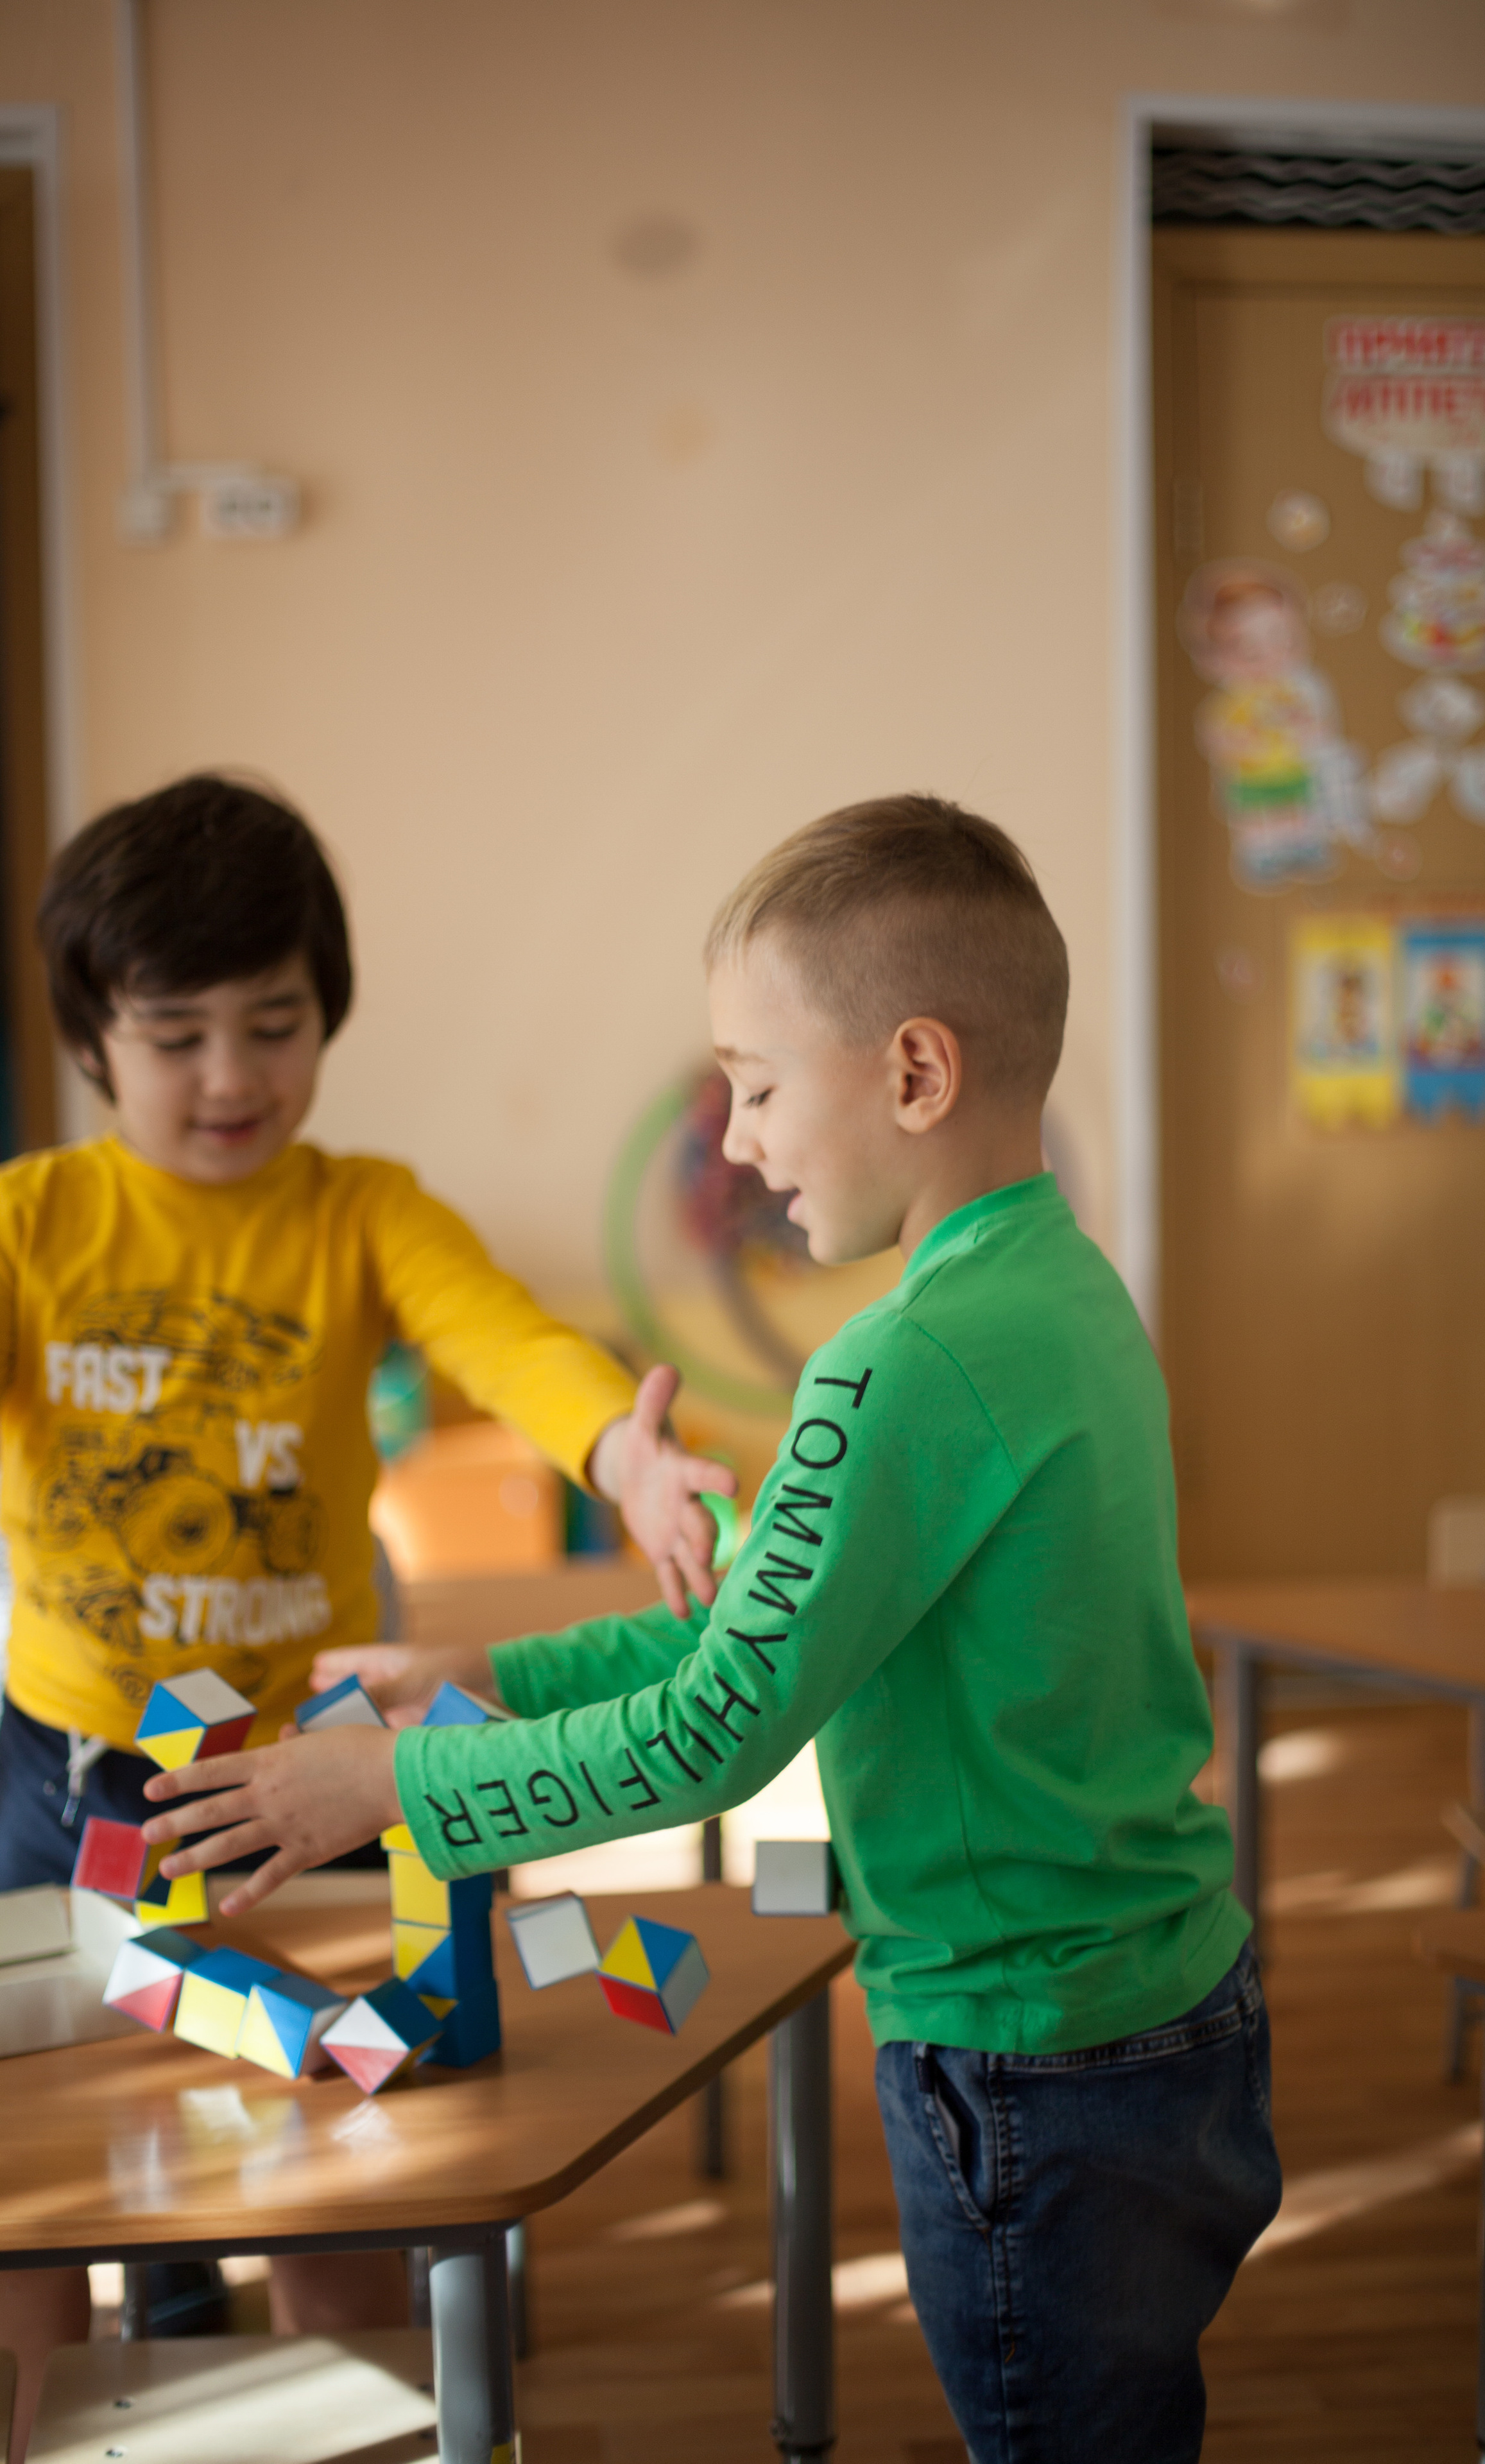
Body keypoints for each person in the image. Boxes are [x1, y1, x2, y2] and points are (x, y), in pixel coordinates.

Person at [143, 793, 1282, 2464]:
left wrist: (394, 1788)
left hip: (1024, 2060)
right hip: (1173, 2014)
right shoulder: (1070, 1296)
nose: (735, 1146)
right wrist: (490, 1676)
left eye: (752, 1089)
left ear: (911, 1075)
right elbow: (787, 1617)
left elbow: (714, 1736)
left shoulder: (893, 1371)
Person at [0, 772, 730, 2446]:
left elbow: (501, 1334)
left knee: (346, 2171)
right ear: (94, 1039)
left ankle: (369, 2402)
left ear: (329, 1014)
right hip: (61, 1781)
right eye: (178, 1035)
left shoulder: (362, 1211)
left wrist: (617, 1450)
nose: (235, 1075)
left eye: (276, 1021)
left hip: (306, 1782)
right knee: (32, 2205)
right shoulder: (33, 1227)